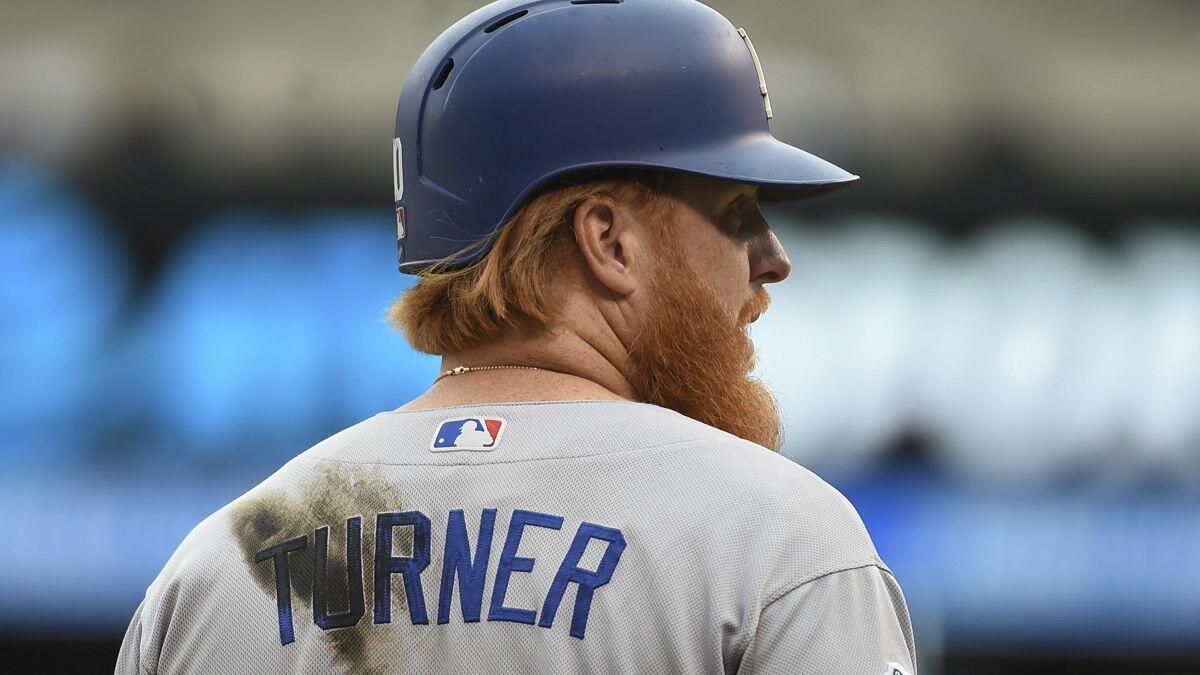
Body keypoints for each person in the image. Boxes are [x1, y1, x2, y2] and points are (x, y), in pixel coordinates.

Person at [117, 0, 917, 673]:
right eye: (738, 212)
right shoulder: (779, 544)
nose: (772, 260)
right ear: (609, 241)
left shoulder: (211, 573)